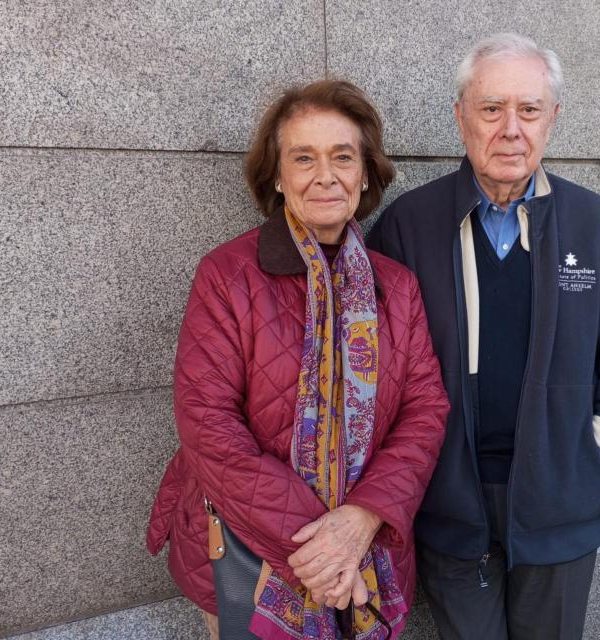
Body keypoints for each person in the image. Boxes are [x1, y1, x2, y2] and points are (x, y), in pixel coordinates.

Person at [367, 33, 600, 640]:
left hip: (560, 508)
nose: (511, 128)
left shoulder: (595, 224)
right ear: (460, 117)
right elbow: (375, 374)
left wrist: (587, 461)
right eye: (491, 108)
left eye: (528, 110)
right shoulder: (408, 225)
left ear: (552, 119)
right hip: (449, 506)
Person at [147, 79, 449, 639]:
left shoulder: (397, 287)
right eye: (303, 158)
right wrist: (323, 546)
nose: (325, 174)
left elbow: (425, 410)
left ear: (365, 173)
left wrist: (361, 521)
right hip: (249, 551)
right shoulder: (227, 276)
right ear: (279, 177)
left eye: (343, 156)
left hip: (367, 548)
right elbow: (206, 423)